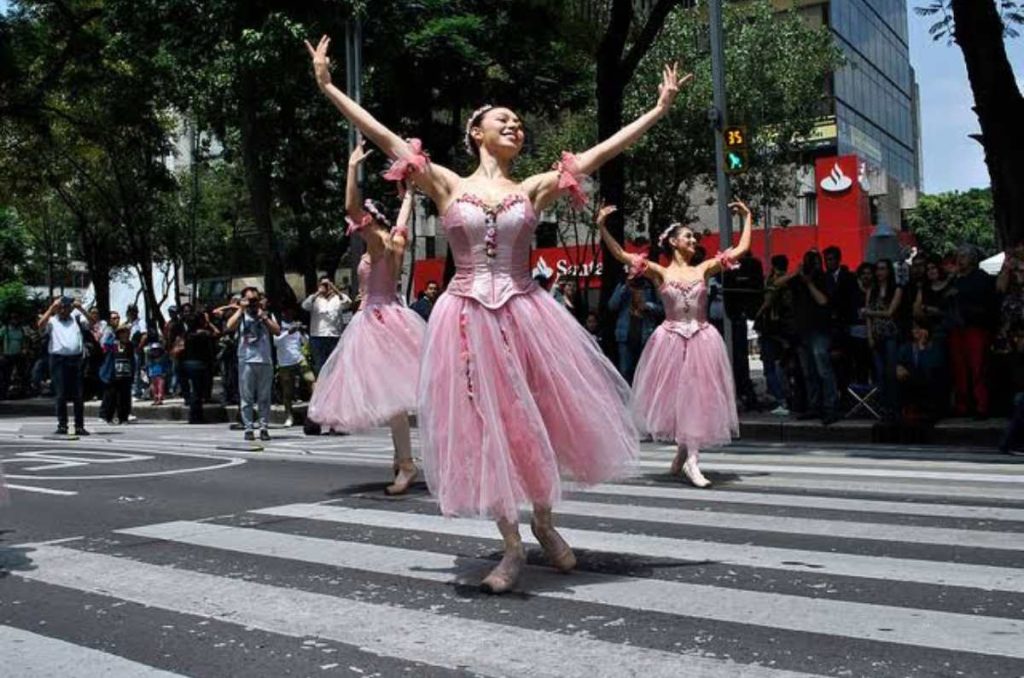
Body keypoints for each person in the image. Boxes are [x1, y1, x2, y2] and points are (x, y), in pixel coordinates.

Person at [307, 35, 685, 593]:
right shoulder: (444, 184)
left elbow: (601, 153)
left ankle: (545, 521)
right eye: (503, 121)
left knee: (541, 422)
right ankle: (511, 546)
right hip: (466, 320)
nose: (515, 127)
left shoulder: (532, 188)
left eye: (519, 123)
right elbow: (381, 133)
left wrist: (657, 109)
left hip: (528, 316)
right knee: (491, 430)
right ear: (477, 133)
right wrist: (327, 85)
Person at [598, 201, 751, 488]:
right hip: (670, 340)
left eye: (694, 237)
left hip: (701, 338)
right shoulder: (660, 272)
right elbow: (621, 255)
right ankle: (687, 457)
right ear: (672, 242)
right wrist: (602, 227)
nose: (693, 240)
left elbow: (739, 251)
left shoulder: (704, 269)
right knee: (680, 398)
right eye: (688, 236)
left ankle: (689, 458)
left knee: (696, 396)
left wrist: (747, 218)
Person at [310, 142, 427, 494]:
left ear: (371, 221)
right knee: (394, 397)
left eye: (363, 222)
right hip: (394, 315)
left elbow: (349, 206)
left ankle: (406, 463)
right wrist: (408, 194)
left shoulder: (376, 242)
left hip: (376, 317)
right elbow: (404, 218)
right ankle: (401, 459)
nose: (356, 226)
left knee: (391, 398)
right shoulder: (396, 240)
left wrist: (350, 168)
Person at [776, 251, 840, 425]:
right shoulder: (798, 279)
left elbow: (823, 301)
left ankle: (831, 407)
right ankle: (814, 406)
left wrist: (809, 283)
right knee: (809, 372)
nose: (813, 266)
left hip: (820, 330)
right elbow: (777, 284)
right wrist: (796, 274)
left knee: (823, 370)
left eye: (815, 262)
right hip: (803, 332)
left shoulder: (825, 279)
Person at [225, 287, 280, 441]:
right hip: (246, 359)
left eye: (255, 299)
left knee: (264, 397)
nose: (253, 303)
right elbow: (229, 326)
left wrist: (264, 317)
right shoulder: (242, 316)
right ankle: (248, 427)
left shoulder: (265, 314)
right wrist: (240, 310)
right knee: (247, 397)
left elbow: (277, 331)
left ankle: (263, 427)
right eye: (250, 300)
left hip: (264, 359)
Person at [948, 245, 997, 418]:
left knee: (977, 367)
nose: (959, 260)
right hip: (958, 327)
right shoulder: (955, 279)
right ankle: (963, 405)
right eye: (958, 256)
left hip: (976, 327)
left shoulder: (982, 278)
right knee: (960, 368)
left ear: (972, 259)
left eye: (963, 256)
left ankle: (981, 405)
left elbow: (989, 303)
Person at [36, 296, 91, 436]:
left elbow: (93, 323)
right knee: (61, 394)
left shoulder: (76, 319)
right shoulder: (52, 321)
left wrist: (80, 308)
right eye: (59, 308)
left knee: (78, 395)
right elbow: (40, 325)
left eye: (65, 307)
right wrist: (51, 309)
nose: (62, 310)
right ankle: (62, 425)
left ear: (69, 308)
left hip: (76, 359)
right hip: (58, 360)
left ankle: (79, 426)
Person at [864, 258, 904, 420]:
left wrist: (870, 313)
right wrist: (869, 335)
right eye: (878, 269)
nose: (880, 272)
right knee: (879, 373)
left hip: (891, 334)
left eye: (883, 269)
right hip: (877, 334)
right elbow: (867, 317)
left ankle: (895, 407)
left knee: (891, 372)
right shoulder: (871, 290)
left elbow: (890, 312)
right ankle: (884, 407)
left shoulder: (897, 289)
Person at [754, 255, 795, 415]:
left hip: (771, 329)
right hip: (784, 329)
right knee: (782, 366)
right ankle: (786, 398)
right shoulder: (789, 281)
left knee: (770, 367)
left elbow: (768, 301)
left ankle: (781, 400)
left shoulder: (774, 281)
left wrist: (758, 314)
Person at [608, 277, 662, 383]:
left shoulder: (650, 286)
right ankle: (627, 398)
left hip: (645, 336)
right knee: (625, 371)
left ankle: (643, 397)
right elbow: (612, 306)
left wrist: (648, 306)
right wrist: (625, 286)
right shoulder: (622, 284)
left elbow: (662, 309)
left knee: (644, 372)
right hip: (625, 336)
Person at [273, 306, 315, 428]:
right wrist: (288, 332)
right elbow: (276, 341)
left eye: (292, 310)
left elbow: (305, 342)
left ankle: (314, 410)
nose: (290, 313)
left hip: (299, 358)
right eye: (287, 310)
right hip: (284, 362)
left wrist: (302, 332)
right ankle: (288, 415)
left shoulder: (297, 324)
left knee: (311, 380)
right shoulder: (278, 325)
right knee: (287, 391)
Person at [302, 276, 351, 376]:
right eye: (323, 284)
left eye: (327, 285)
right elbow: (305, 306)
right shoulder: (314, 299)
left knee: (335, 366)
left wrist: (335, 289)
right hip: (318, 337)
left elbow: (347, 303)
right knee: (320, 366)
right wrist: (318, 292)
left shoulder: (338, 299)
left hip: (334, 337)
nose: (326, 287)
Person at [181, 310, 219, 424]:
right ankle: (196, 416)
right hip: (200, 364)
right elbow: (217, 333)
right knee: (199, 392)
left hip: (188, 364)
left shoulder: (188, 334)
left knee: (195, 391)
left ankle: (195, 415)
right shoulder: (204, 333)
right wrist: (209, 323)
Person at [99, 324, 136, 424]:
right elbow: (104, 349)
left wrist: (133, 373)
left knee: (125, 397)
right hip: (114, 374)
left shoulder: (130, 345)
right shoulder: (113, 344)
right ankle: (107, 416)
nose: (125, 335)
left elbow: (132, 360)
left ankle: (123, 417)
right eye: (122, 333)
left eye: (127, 333)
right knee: (111, 397)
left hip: (126, 374)